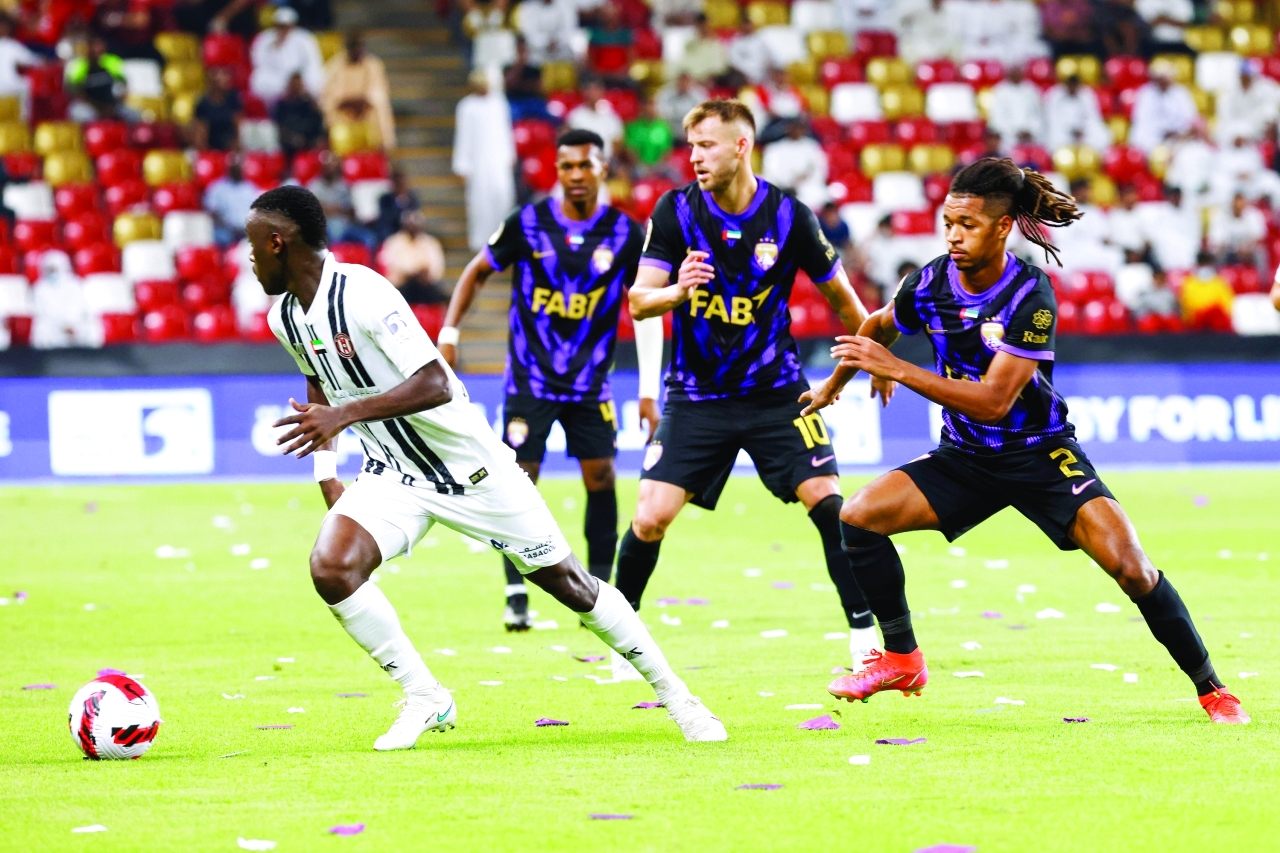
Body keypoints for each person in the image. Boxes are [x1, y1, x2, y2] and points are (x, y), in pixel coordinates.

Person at [253, 185, 727, 749]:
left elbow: (435, 382)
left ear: (278, 243)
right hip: (394, 473)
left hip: (475, 472)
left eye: (254, 248)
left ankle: (679, 698)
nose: (250, 261)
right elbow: (318, 380)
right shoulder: (285, 316)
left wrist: (345, 414)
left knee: (571, 585)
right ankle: (425, 697)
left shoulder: (364, 292)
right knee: (332, 567)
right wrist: (326, 470)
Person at [800, 157, 1249, 725]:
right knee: (859, 518)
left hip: (1041, 452)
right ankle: (901, 658)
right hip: (967, 457)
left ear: (1002, 226)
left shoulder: (1030, 295)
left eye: (967, 225)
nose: (953, 236)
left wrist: (898, 369)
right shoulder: (930, 282)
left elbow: (995, 401)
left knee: (1133, 569)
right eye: (948, 223)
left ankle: (1213, 689)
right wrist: (838, 383)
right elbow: (879, 326)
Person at [618, 99, 880, 670]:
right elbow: (638, 301)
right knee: (649, 517)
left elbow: (844, 300)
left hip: (776, 392)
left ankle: (865, 636)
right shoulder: (675, 211)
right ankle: (624, 637)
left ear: (741, 146)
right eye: (691, 146)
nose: (694, 157)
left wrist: (876, 359)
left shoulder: (790, 217)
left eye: (706, 145)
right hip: (697, 396)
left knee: (829, 502)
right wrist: (677, 291)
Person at [438, 128, 662, 636]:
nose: (576, 175)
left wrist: (649, 389)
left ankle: (600, 592)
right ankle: (516, 594)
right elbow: (476, 271)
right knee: (519, 481)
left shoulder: (626, 234)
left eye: (585, 165)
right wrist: (449, 334)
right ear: (557, 170)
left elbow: (646, 306)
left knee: (601, 477)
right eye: (567, 166)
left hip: (590, 384)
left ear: (603, 170)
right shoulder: (528, 222)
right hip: (530, 380)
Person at [452, 69, 516, 251]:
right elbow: (463, 137)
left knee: (503, 199)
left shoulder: (499, 104)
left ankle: (504, 241)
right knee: (480, 204)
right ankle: (480, 243)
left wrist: (510, 155)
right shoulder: (467, 106)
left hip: (499, 162)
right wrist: (462, 165)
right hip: (478, 164)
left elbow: (506, 132)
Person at [320, 31, 396, 150]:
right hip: (343, 110)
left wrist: (364, 101)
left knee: (381, 107)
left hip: (366, 109)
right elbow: (330, 94)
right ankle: (333, 150)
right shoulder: (334, 66)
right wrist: (345, 102)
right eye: (353, 47)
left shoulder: (373, 65)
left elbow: (378, 90)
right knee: (327, 108)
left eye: (359, 47)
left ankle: (383, 148)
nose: (356, 50)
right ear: (347, 48)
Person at [249, 6, 325, 104]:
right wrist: (275, 48)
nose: (283, 30)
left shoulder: (304, 38)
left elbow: (313, 62)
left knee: (316, 79)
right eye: (280, 26)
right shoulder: (265, 38)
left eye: (286, 26)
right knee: (258, 80)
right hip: (275, 78)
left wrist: (298, 81)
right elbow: (258, 62)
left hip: (299, 78)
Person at [306, 153, 376, 249]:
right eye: (328, 167)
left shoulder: (344, 185)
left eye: (333, 167)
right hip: (326, 226)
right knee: (336, 229)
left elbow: (351, 210)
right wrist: (337, 209)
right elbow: (316, 212)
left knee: (370, 238)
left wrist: (331, 209)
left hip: (347, 224)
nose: (330, 169)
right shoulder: (314, 186)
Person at [378, 210, 448, 305]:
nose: (413, 227)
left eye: (416, 224)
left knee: (441, 298)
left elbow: (437, 265)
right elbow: (389, 264)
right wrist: (413, 271)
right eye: (410, 224)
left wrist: (426, 273)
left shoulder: (430, 242)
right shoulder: (394, 242)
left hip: (425, 284)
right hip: (401, 284)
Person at [1128, 60, 1198, 154]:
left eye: (1166, 77)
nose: (1163, 80)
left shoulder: (1181, 93)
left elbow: (1190, 118)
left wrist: (1180, 133)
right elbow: (1143, 123)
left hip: (1177, 139)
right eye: (1160, 78)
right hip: (1151, 140)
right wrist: (1163, 133)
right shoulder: (1145, 94)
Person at [761, 119, 829, 211]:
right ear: (787, 129)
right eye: (794, 128)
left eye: (799, 128)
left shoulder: (812, 147)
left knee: (819, 196)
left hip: (807, 188)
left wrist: (804, 178)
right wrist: (789, 182)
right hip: (783, 187)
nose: (797, 131)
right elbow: (770, 173)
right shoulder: (774, 148)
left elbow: (820, 170)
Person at [65, 36, 131, 123]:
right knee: (82, 113)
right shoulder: (79, 65)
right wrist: (97, 107)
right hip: (89, 105)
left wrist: (113, 106)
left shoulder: (112, 61)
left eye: (99, 46)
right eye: (94, 46)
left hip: (111, 104)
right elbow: (74, 92)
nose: (97, 49)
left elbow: (124, 85)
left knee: (131, 114)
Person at [204, 155, 261, 246]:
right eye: (234, 166)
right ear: (228, 168)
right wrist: (227, 225)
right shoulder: (217, 188)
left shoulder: (250, 188)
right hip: (226, 230)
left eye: (239, 167)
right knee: (222, 237)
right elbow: (212, 212)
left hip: (245, 231)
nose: (237, 170)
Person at [988, 64, 1044, 148]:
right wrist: (1015, 132)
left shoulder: (1031, 91)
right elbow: (997, 118)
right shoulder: (1000, 91)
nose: (1016, 74)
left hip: (1030, 138)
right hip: (1007, 139)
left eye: (1018, 71)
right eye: (1013, 71)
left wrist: (1030, 131)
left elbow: (1038, 115)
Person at [567, 78, 625, 159]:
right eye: (590, 90)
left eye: (597, 90)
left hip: (607, 159)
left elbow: (617, 143)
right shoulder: (575, 116)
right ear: (585, 92)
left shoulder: (611, 116)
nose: (593, 94)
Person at [272, 72, 326, 158]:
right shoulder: (281, 105)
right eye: (294, 84)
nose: (296, 87)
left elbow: (318, 122)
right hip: (287, 147)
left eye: (298, 84)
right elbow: (277, 127)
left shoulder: (309, 104)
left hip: (309, 146)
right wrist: (293, 139)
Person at [192, 65, 243, 152]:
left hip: (230, 148)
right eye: (223, 74)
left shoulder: (233, 99)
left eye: (227, 74)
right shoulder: (203, 104)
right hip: (211, 149)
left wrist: (233, 153)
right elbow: (200, 138)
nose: (227, 78)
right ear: (212, 77)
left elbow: (239, 130)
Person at [624, 97, 675, 168]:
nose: (650, 110)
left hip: (660, 165)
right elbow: (631, 151)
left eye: (652, 106)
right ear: (642, 109)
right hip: (639, 166)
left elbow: (667, 150)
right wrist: (643, 166)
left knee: (674, 173)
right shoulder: (633, 127)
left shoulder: (663, 126)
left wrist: (658, 166)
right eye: (647, 107)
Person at [375, 170, 422, 243]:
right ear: (393, 184)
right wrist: (398, 202)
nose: (400, 186)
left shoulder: (412, 198)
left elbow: (415, 214)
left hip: (408, 228)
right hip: (390, 228)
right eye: (398, 183)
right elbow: (386, 218)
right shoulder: (385, 199)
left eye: (402, 183)